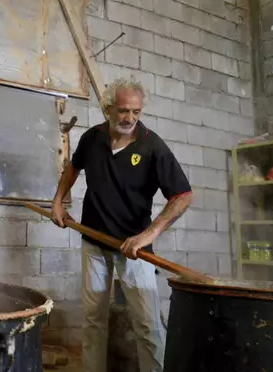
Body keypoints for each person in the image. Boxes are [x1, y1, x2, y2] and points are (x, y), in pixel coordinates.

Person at [50, 77, 193, 372]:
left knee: (148, 325)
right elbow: (73, 167)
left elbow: (183, 196)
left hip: (134, 249)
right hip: (94, 242)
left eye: (136, 112)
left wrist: (147, 235)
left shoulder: (152, 146)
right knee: (93, 321)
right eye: (123, 110)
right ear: (108, 108)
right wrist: (58, 202)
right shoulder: (92, 138)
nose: (130, 118)